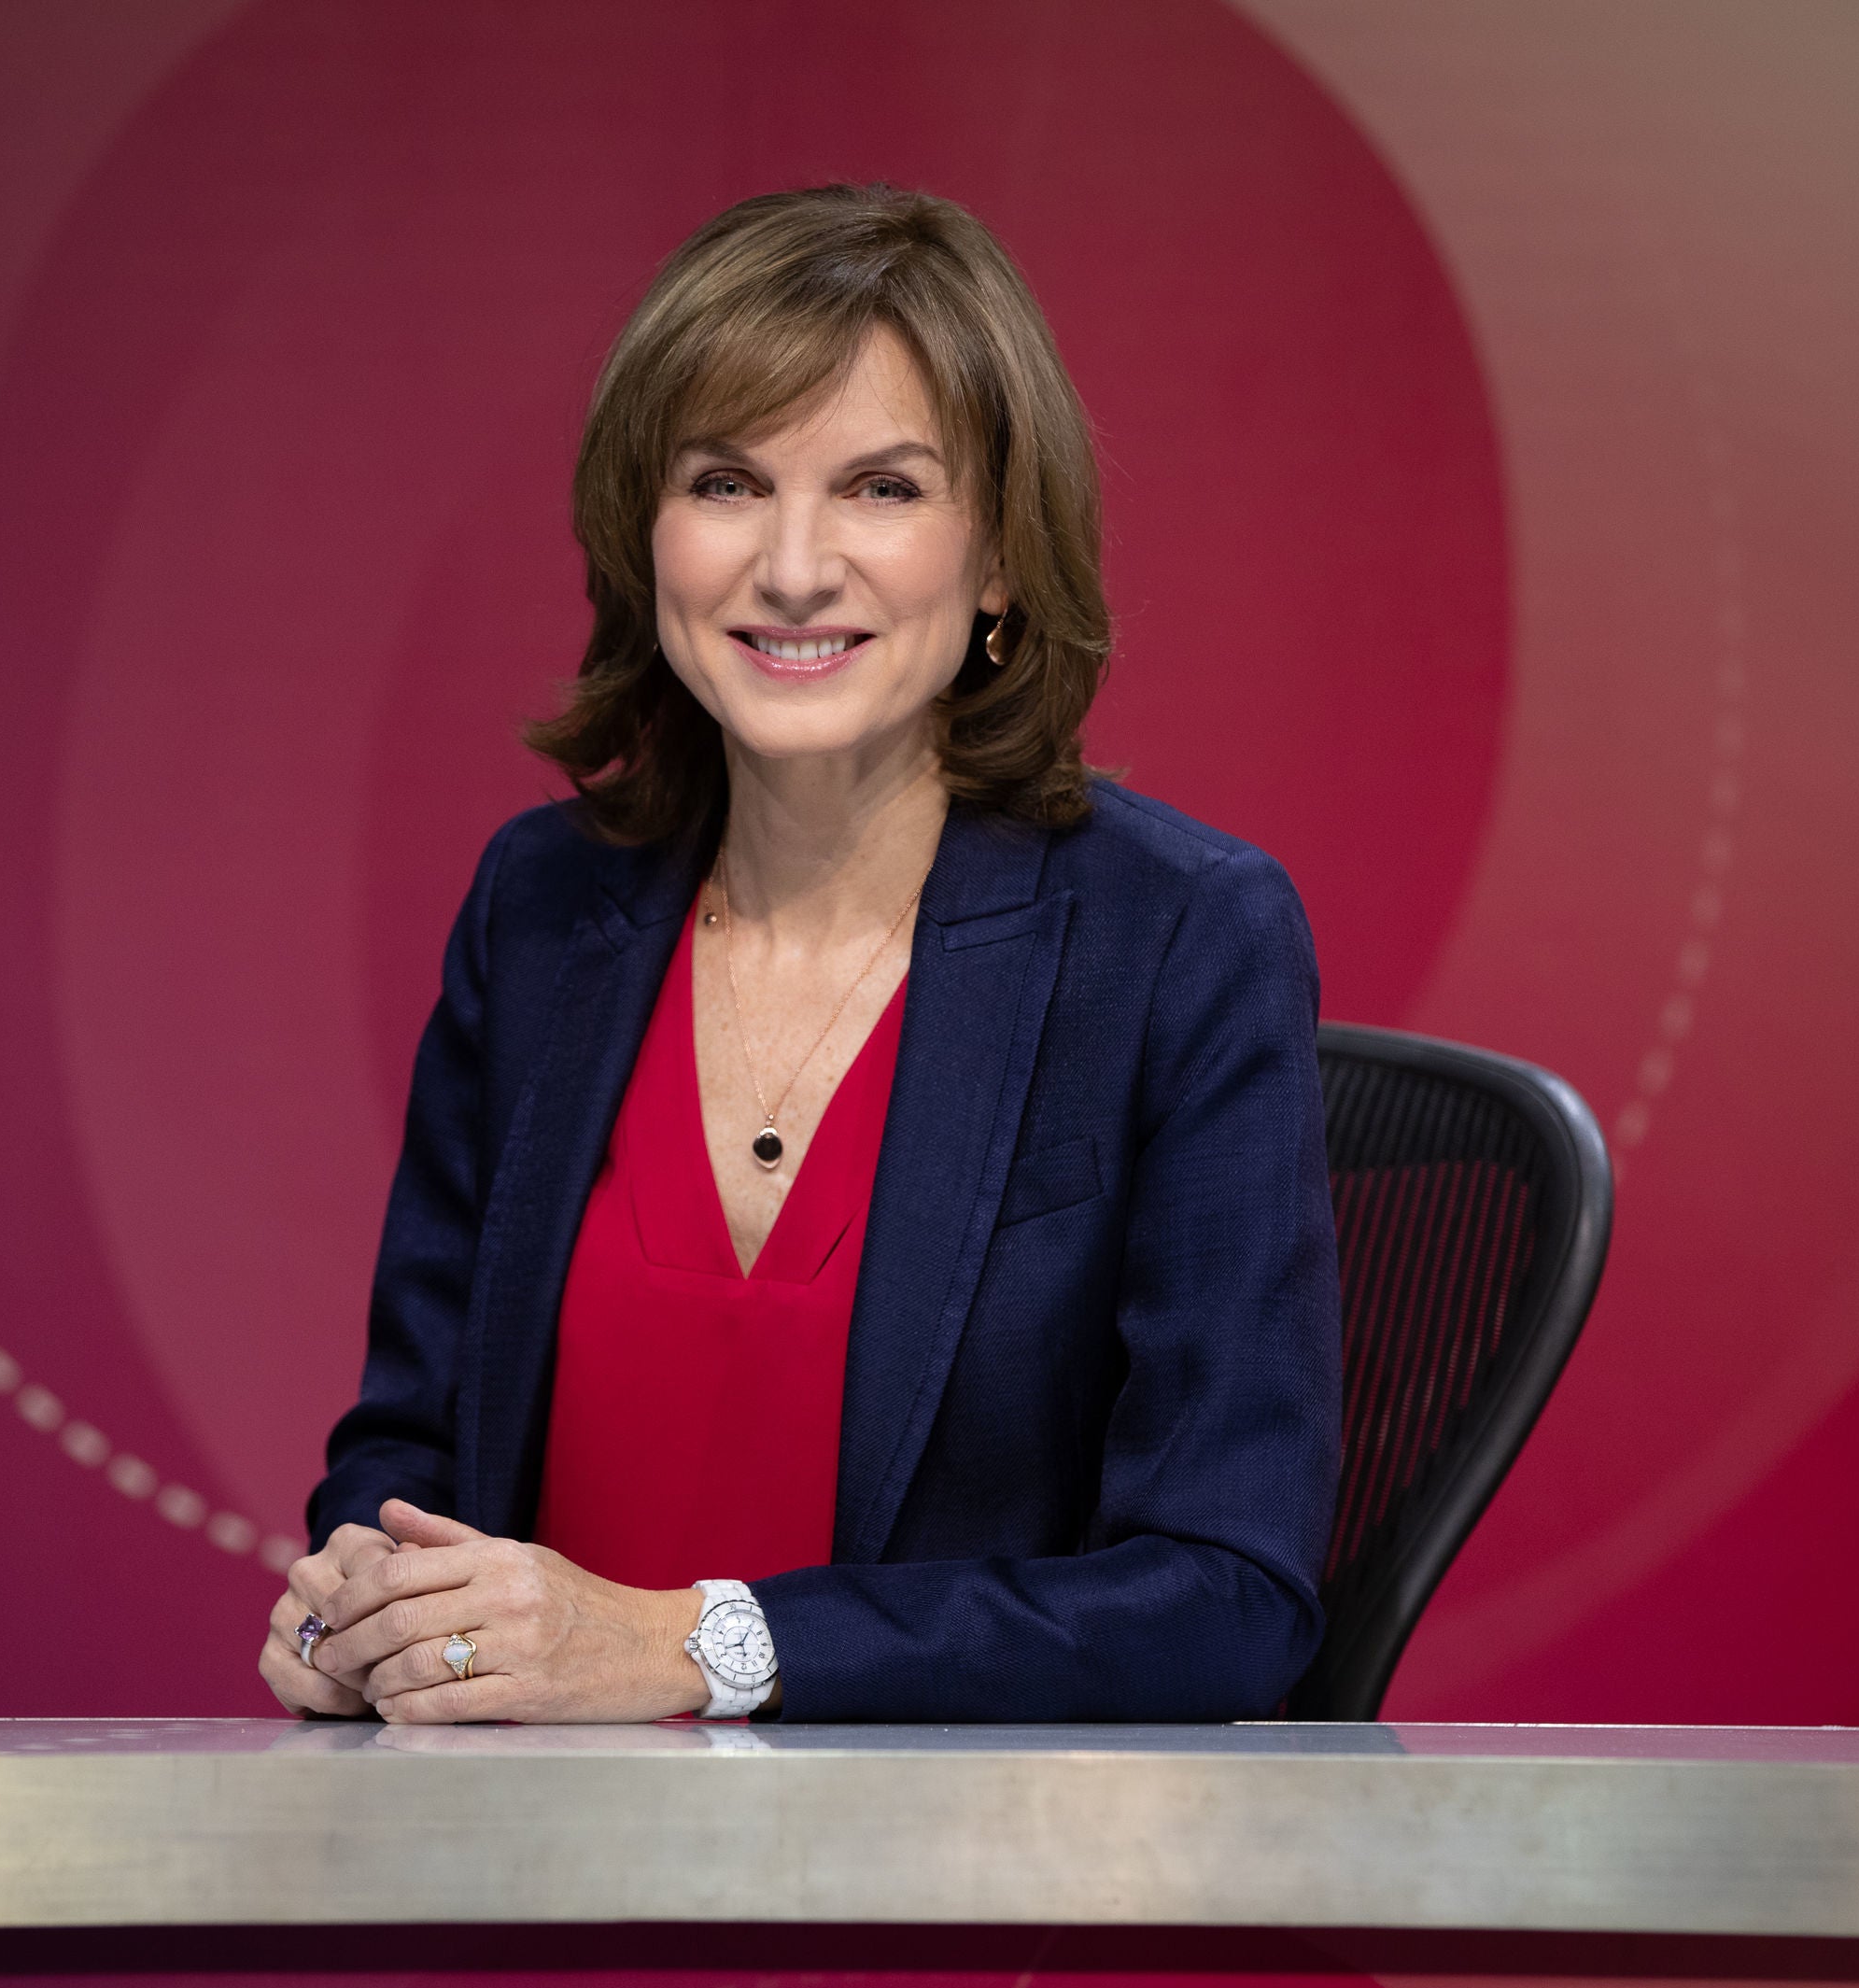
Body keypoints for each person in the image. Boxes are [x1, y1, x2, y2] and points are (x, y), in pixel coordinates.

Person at [261, 183, 1341, 1725]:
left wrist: (688, 1650)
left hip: (973, 1905)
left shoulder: (1177, 939)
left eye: (882, 491)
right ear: (649, 536)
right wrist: (367, 1597)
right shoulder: (544, 907)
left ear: (1000, 561)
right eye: (726, 481)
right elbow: (410, 1449)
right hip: (528, 1876)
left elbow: (1226, 1597)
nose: (791, 566)